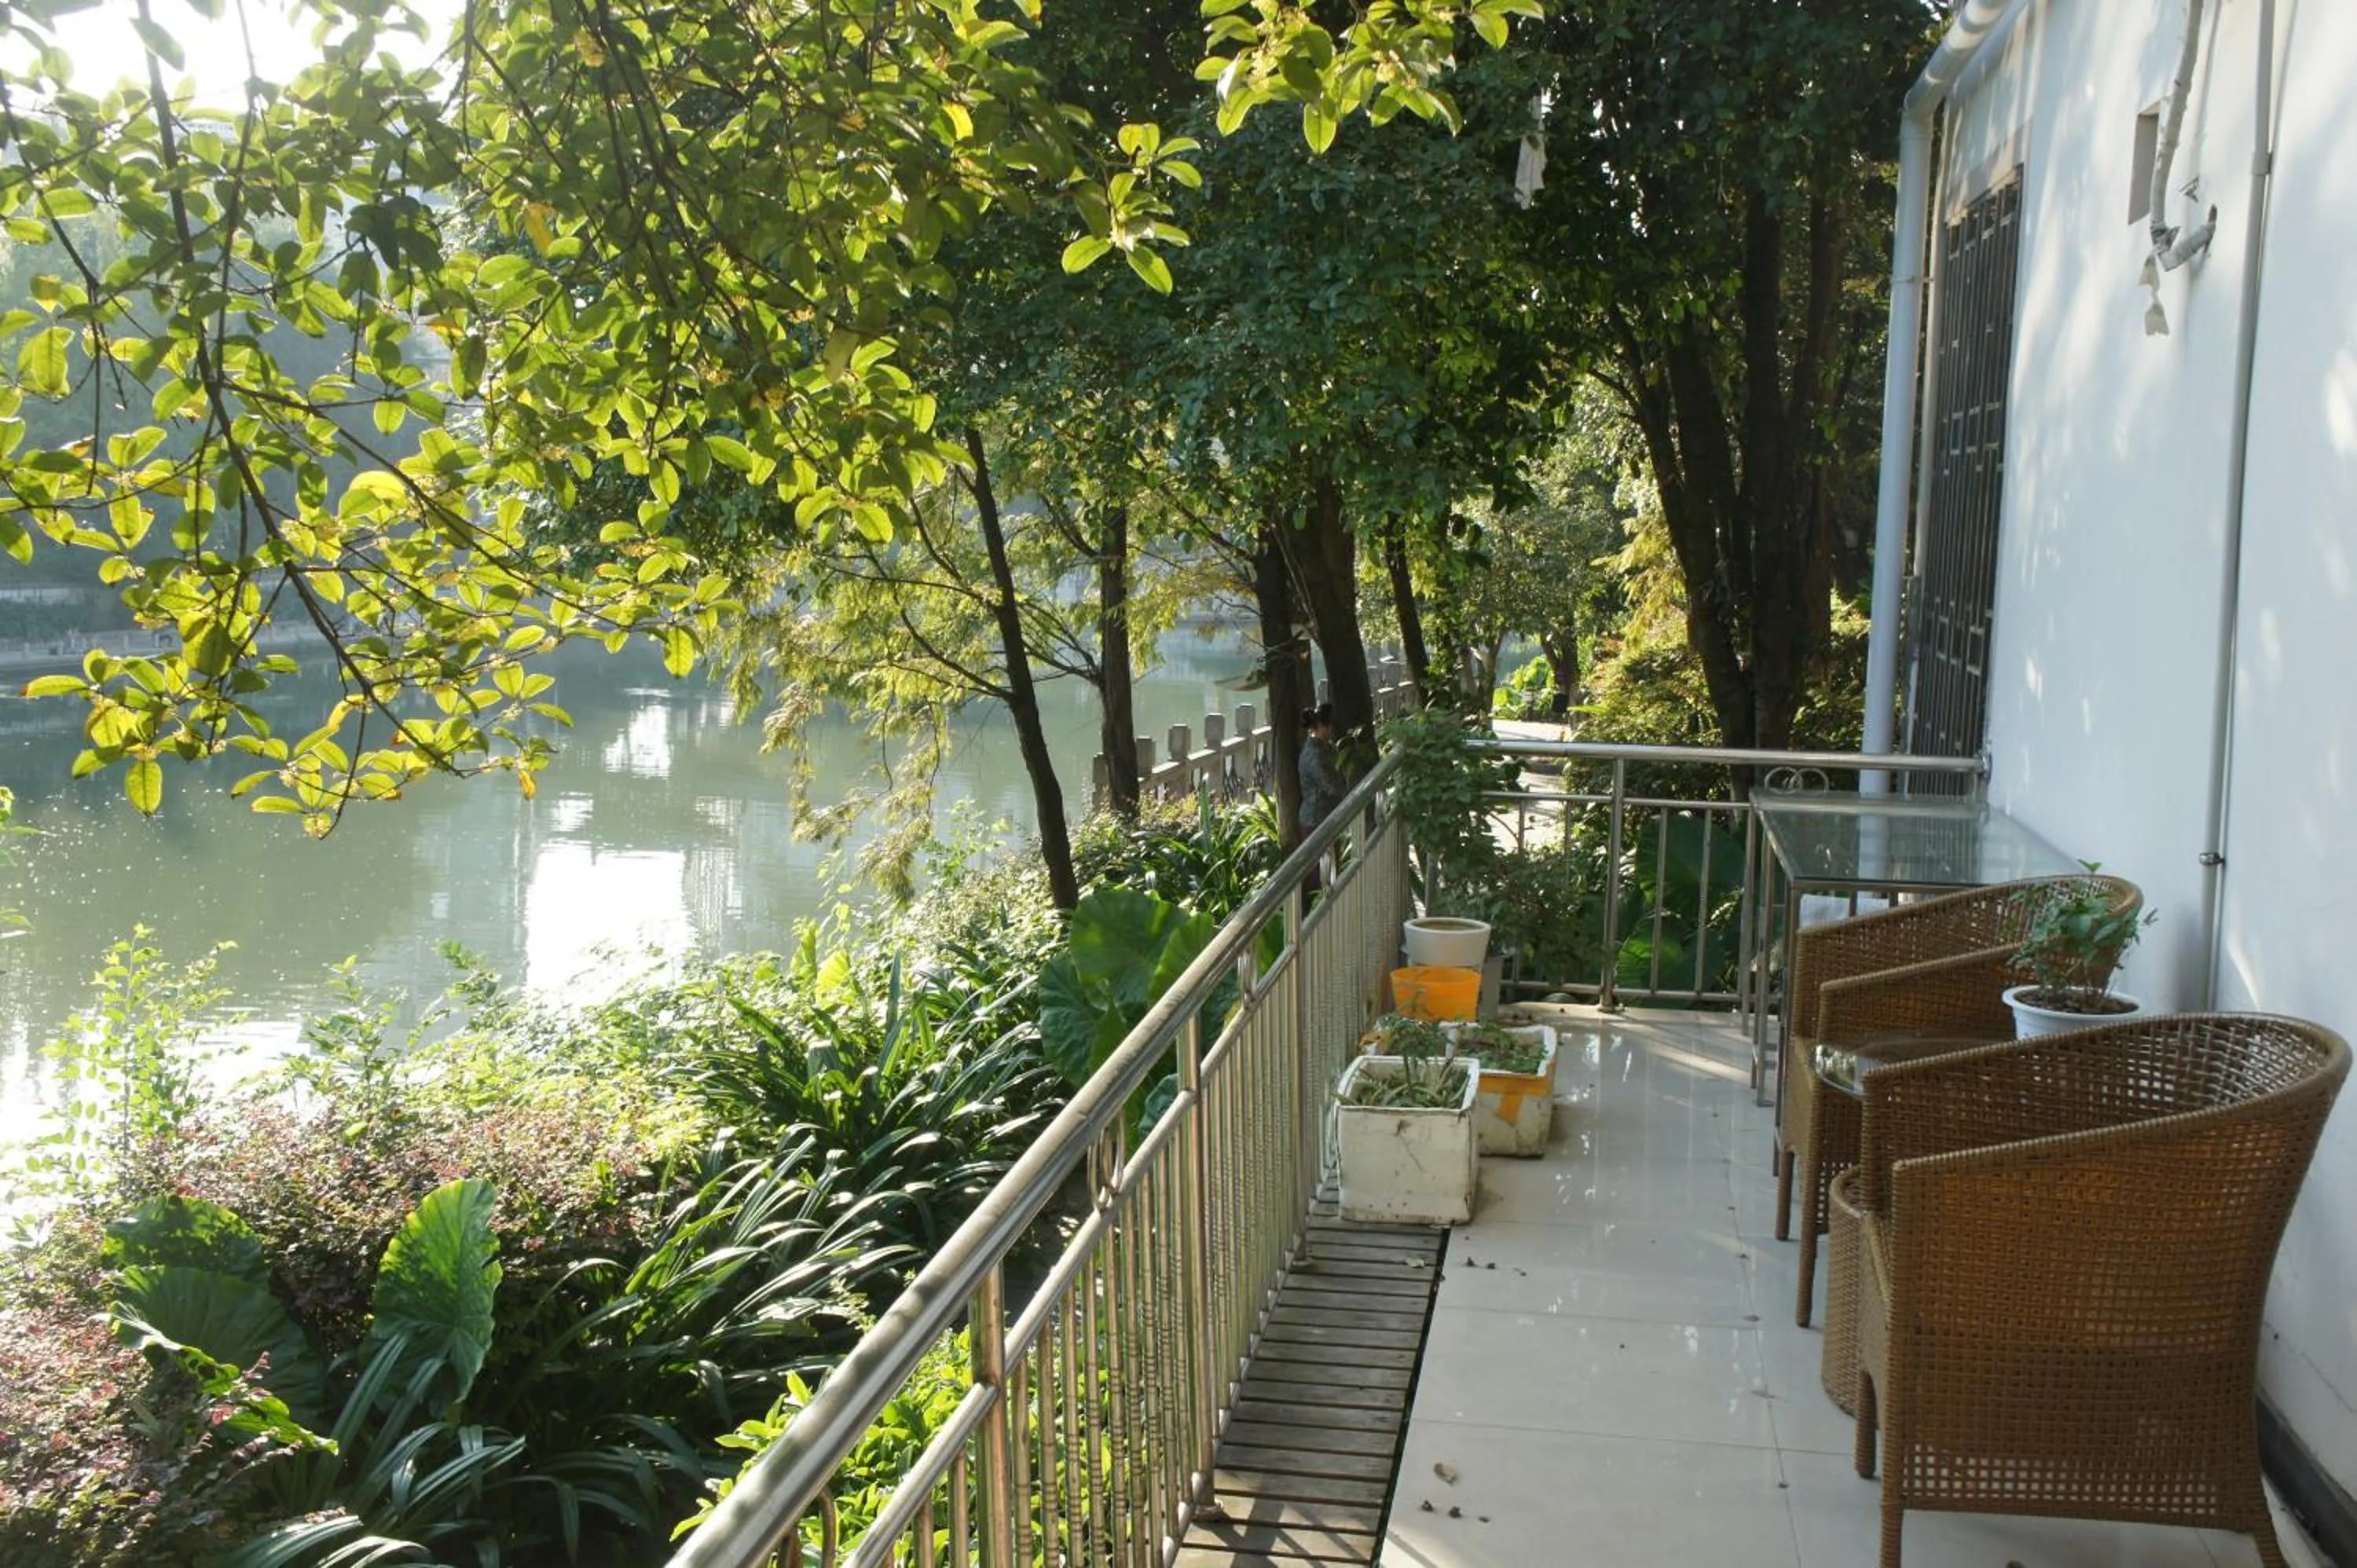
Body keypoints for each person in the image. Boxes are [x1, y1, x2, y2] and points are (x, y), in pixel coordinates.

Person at [1297, 703, 1347, 837]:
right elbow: (1330, 785)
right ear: (1318, 726)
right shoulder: (1313, 754)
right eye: (1327, 725)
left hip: (1328, 815)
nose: (1331, 728)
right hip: (1314, 820)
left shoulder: (1329, 747)